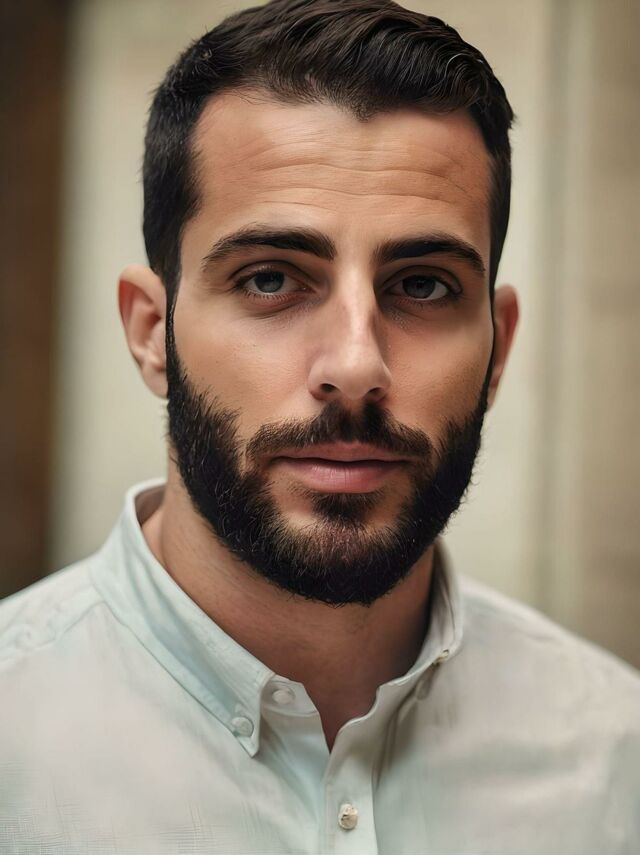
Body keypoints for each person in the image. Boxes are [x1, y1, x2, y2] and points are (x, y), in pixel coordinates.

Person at [1, 0, 638, 852]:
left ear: (498, 346)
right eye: (270, 279)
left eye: (422, 285)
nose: (356, 363)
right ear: (152, 331)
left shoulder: (616, 760)